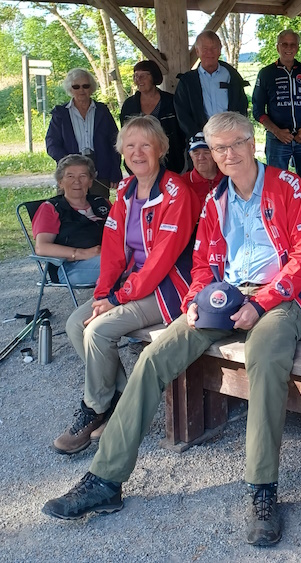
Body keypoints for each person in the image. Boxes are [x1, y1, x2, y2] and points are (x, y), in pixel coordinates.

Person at [43, 112, 301, 549]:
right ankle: (104, 481)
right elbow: (204, 262)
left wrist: (261, 302)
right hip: (223, 296)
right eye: (218, 148)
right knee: (153, 358)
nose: (228, 155)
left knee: (265, 361)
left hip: (279, 299)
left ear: (253, 143)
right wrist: (193, 301)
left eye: (236, 144)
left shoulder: (288, 186)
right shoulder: (214, 201)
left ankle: (261, 490)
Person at [51, 115, 201, 456]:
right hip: (130, 287)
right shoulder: (126, 192)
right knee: (76, 324)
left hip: (168, 289)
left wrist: (118, 297)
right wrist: (104, 293)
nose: (137, 152)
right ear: (121, 151)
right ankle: (116, 399)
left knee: (99, 330)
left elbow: (162, 258)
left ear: (160, 148)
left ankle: (93, 408)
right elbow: (113, 251)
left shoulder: (178, 192)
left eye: (145, 144)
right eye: (130, 145)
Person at [253, 29, 301, 196]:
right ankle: (278, 219)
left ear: (297, 48)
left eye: (292, 44)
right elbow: (258, 110)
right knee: (276, 185)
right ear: (277, 47)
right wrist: (276, 131)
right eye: (284, 44)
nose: (288, 48)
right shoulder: (266, 73)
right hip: (277, 139)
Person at [31, 154, 111, 285]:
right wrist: (82, 253)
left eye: (83, 176)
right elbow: (42, 247)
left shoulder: (102, 203)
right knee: (124, 266)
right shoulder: (51, 208)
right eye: (70, 176)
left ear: (90, 181)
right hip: (70, 268)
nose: (77, 181)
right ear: (60, 182)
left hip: (108, 257)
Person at [45, 68, 121, 199]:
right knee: (68, 210)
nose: (81, 90)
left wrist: (115, 171)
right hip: (69, 167)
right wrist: (67, 162)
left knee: (99, 208)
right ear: (70, 88)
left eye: (86, 86)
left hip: (100, 168)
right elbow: (52, 144)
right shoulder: (60, 114)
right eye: (76, 86)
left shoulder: (102, 111)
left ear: (91, 88)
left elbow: (115, 142)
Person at [174, 31, 249, 141]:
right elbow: (181, 113)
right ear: (197, 51)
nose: (209, 52)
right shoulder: (187, 81)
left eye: (214, 48)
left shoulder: (232, 77)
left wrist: (235, 131)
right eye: (204, 48)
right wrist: (197, 135)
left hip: (230, 137)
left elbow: (241, 106)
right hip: (200, 140)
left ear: (219, 50)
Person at [120, 60, 185, 174]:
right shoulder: (129, 105)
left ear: (154, 77)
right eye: (135, 76)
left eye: (143, 76)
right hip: (139, 161)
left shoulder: (171, 101)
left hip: (171, 162)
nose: (138, 80)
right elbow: (125, 135)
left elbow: (181, 131)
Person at [184, 132, 224, 206]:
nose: (201, 157)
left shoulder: (228, 179)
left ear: (215, 155)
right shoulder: (182, 183)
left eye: (206, 152)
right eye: (196, 153)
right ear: (191, 156)